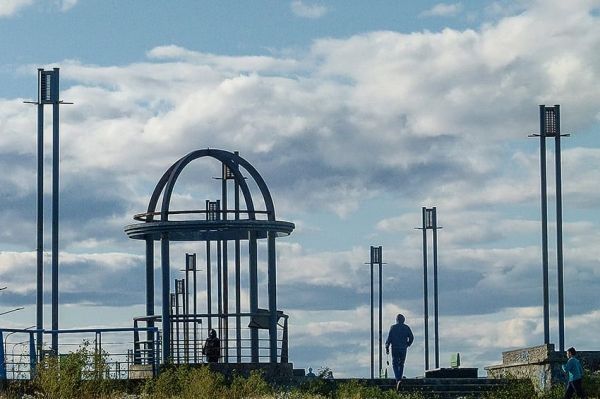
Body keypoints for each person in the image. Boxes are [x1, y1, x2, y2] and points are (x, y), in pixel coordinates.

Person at [385, 314, 414, 389]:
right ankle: (399, 378)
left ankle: (398, 379)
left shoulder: (393, 327)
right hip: (403, 348)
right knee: (401, 364)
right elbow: (411, 337)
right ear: (403, 320)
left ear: (397, 320)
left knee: (395, 363)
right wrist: (408, 344)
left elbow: (389, 338)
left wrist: (387, 346)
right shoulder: (406, 328)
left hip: (395, 348)